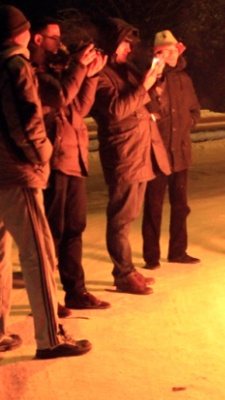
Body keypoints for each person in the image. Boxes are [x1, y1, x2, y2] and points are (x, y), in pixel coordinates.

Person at [0, 5, 91, 358]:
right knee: (38, 254)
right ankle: (50, 338)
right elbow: (26, 117)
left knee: (2, 255)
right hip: (17, 172)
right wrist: (43, 153)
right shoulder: (15, 65)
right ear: (21, 33)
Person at [29, 18, 111, 311]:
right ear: (38, 40)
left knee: (75, 227)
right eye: (53, 38)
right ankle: (47, 297)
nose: (59, 43)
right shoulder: (34, 73)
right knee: (52, 231)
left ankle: (75, 291)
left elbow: (78, 110)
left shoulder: (60, 71)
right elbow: (62, 97)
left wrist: (89, 76)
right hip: (52, 159)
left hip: (73, 159)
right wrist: (78, 68)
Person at [90, 18, 171, 294]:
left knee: (130, 215)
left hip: (140, 151)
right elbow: (115, 111)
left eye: (130, 44)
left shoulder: (125, 70)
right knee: (121, 217)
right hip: (123, 153)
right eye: (124, 43)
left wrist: (155, 74)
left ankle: (127, 269)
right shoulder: (100, 74)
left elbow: (149, 101)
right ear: (112, 44)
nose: (128, 49)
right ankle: (123, 274)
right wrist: (144, 86)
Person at [142, 30, 201, 269]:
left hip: (180, 152)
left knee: (180, 205)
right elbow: (142, 109)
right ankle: (151, 257)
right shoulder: (150, 78)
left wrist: (188, 123)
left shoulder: (184, 80)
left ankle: (178, 251)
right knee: (153, 206)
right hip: (157, 153)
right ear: (158, 54)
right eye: (168, 51)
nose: (173, 54)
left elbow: (194, 111)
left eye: (175, 50)